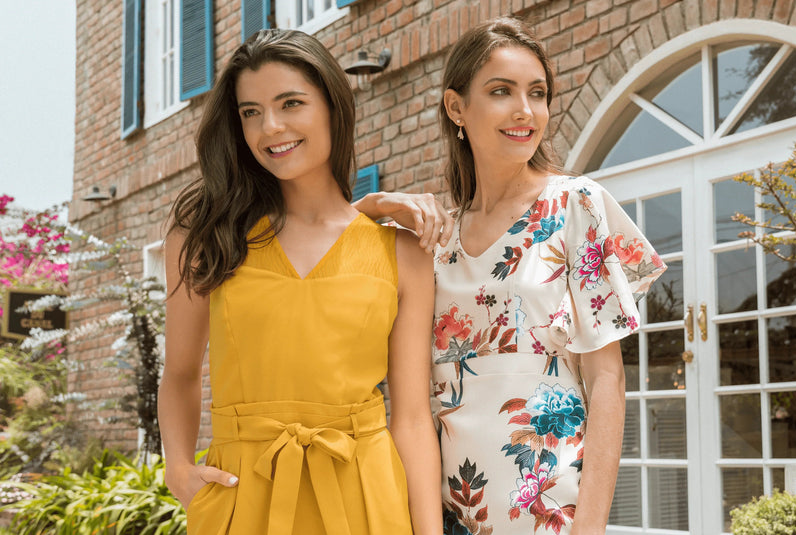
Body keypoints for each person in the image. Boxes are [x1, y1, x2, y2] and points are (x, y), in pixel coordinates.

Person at [158, 29, 441, 535]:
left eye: (291, 103)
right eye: (250, 112)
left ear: (333, 105)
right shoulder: (206, 237)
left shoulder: (402, 253)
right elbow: (179, 374)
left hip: (366, 497)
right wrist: (178, 467)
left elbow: (414, 419)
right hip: (242, 496)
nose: (270, 127)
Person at [428, 17, 667, 535]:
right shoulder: (437, 240)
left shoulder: (576, 203)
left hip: (549, 514)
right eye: (501, 91)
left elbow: (607, 379)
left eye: (538, 93)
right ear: (456, 108)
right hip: (446, 516)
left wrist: (591, 527)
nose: (525, 110)